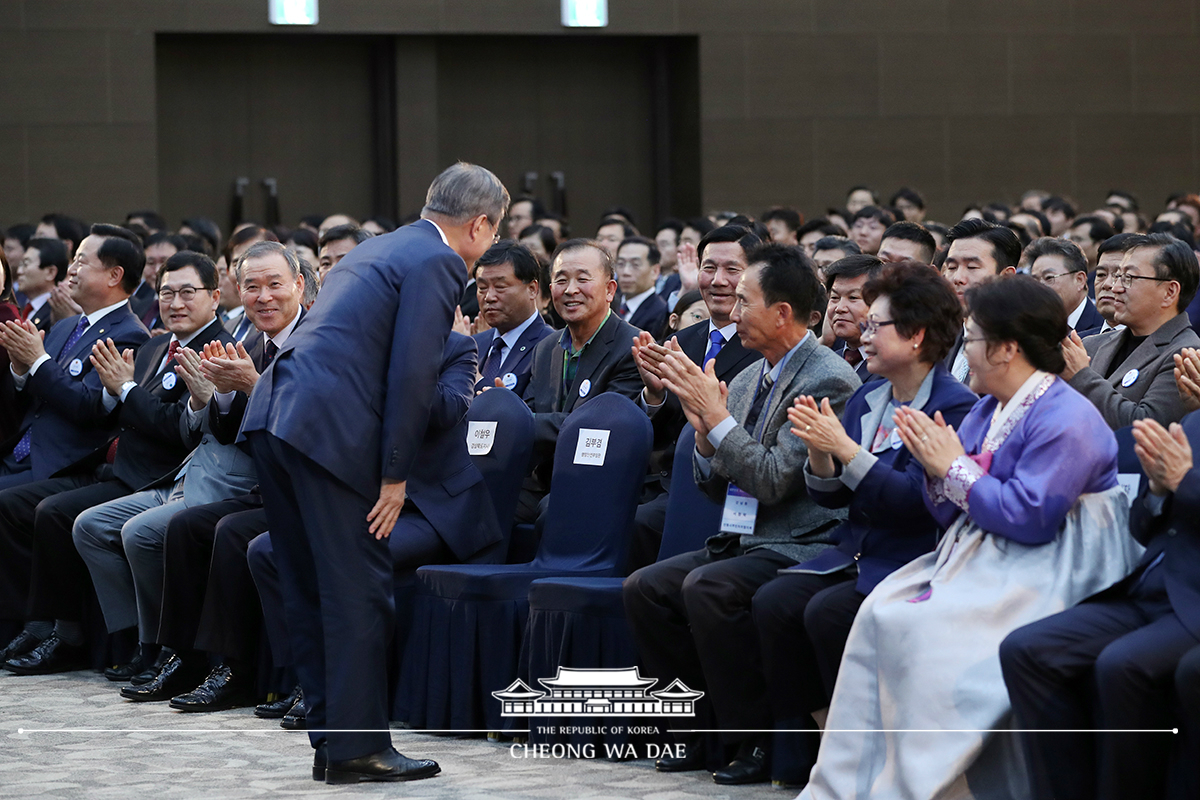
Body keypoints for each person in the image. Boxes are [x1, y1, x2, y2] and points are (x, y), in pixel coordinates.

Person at [797, 276, 1141, 800]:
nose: (965, 353)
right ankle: (862, 781)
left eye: (974, 340)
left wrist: (950, 468)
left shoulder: (1068, 416)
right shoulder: (988, 407)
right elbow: (945, 509)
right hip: (988, 552)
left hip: (1052, 565)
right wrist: (941, 473)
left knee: (929, 632)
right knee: (882, 613)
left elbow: (1031, 517)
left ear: (1007, 349)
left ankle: (939, 785)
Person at [241, 162, 507, 784]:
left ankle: (331, 739)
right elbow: (415, 374)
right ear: (481, 224)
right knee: (357, 589)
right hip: (327, 430)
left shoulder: (378, 246)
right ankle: (358, 747)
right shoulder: (439, 261)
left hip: (277, 415)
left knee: (308, 586)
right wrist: (395, 477)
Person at [624, 243, 860, 786]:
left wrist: (715, 419)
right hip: (742, 535)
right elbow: (713, 484)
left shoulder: (829, 379)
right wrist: (706, 438)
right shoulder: (754, 374)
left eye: (745, 300)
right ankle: (695, 730)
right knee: (645, 587)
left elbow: (778, 479)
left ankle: (750, 739)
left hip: (802, 540)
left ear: (782, 312)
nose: (731, 309)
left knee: (710, 588)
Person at [753, 260, 977, 788]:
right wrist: (821, 458)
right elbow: (829, 497)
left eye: (879, 326)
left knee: (828, 613)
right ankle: (830, 734)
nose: (864, 334)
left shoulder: (955, 408)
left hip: (916, 558)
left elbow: (918, 505)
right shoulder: (868, 396)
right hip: (854, 549)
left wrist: (847, 451)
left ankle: (871, 749)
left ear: (918, 336)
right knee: (773, 602)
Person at [1001, 405, 1200, 800]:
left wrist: (1185, 481)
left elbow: (1188, 487)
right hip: (1147, 585)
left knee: (1122, 664)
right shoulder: (1194, 421)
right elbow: (1143, 526)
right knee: (1026, 650)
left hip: (1192, 600)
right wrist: (1159, 491)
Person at [517, 238, 642, 522]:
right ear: (550, 290)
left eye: (582, 280)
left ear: (610, 289)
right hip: (545, 479)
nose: (571, 290)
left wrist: (521, 420)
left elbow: (598, 427)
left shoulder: (632, 346)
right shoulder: (546, 347)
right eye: (561, 281)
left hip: (600, 478)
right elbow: (532, 411)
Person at [1063, 233, 1200, 429]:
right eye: (1119, 276)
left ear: (1169, 292)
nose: (1115, 287)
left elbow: (1144, 428)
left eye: (1129, 278)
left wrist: (1081, 376)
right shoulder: (1092, 344)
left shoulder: (1185, 355)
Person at [940, 218, 1020, 382]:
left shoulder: (1021, 346)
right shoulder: (939, 342)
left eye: (972, 267)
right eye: (952, 267)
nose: (957, 278)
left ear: (1006, 277)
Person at [471, 240, 552, 396]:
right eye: (482, 288)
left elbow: (539, 414)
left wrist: (479, 381)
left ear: (532, 289)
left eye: (500, 287)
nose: (489, 297)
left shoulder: (551, 347)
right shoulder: (473, 345)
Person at [1025, 237, 1104, 336]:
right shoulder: (1030, 327)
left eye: (1049, 278)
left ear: (1079, 280)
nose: (1040, 287)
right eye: (1035, 280)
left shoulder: (1102, 328)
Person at [822, 254, 882, 383]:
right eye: (834, 297)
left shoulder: (892, 368)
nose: (839, 308)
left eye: (853, 297)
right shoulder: (826, 361)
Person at [614, 236, 668, 335]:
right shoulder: (611, 304)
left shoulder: (661, 313)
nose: (626, 272)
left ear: (655, 271)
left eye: (635, 265)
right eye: (621, 264)